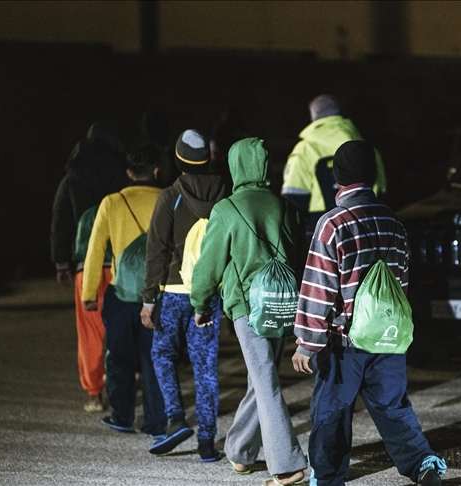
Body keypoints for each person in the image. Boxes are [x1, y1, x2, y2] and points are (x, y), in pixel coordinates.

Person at [291, 140, 447, 486]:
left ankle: (329, 477)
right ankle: (422, 463)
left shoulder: (333, 225)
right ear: (372, 176)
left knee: (332, 411)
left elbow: (319, 286)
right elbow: (401, 283)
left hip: (344, 340)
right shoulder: (394, 222)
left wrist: (307, 341)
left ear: (337, 178)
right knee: (393, 407)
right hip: (388, 336)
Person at [191, 138, 308, 485]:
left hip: (248, 307)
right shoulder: (285, 206)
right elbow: (296, 254)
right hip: (282, 303)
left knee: (265, 380)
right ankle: (241, 451)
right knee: (262, 378)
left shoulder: (227, 209)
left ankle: (287, 466)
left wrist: (200, 303)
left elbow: (208, 267)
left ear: (235, 165)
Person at [142, 129, 229, 460]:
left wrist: (149, 299)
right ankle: (207, 444)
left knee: (162, 355)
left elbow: (156, 252)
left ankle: (176, 418)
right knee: (205, 365)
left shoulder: (170, 197)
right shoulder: (225, 195)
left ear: (177, 160)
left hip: (173, 294)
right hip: (208, 294)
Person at [82, 147, 166, 439]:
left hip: (121, 293)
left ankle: (122, 415)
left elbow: (95, 250)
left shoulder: (112, 202)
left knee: (118, 358)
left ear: (128, 173)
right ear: (156, 171)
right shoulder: (167, 199)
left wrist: (89, 291)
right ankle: (157, 420)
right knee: (154, 358)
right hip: (157, 294)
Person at [50, 121, 127, 412]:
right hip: (120, 264)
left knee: (90, 331)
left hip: (87, 266)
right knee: (120, 327)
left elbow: (61, 221)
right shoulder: (123, 173)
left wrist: (61, 261)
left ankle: (94, 392)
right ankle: (123, 383)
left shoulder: (73, 176)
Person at [281, 94, 386, 217]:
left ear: (313, 115)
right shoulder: (365, 145)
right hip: (366, 218)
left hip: (319, 223)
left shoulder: (305, 149)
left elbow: (293, 196)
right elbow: (381, 188)